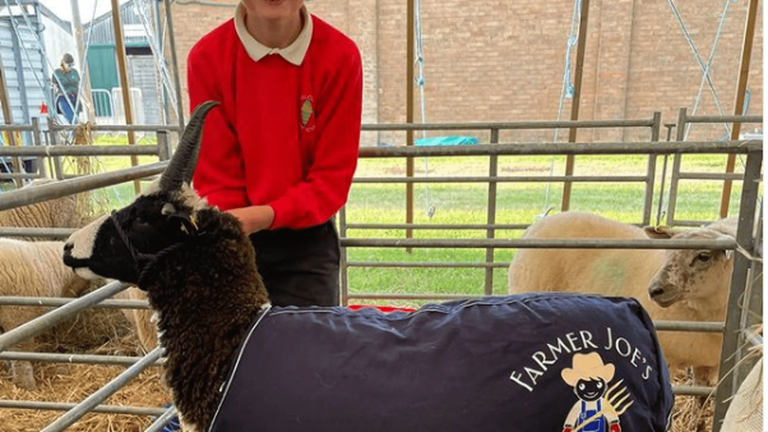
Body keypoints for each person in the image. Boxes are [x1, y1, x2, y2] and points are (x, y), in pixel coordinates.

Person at [187, 0, 363, 307]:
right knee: (233, 351)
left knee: (307, 351)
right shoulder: (207, 59)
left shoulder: (339, 56)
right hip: (232, 232)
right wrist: (233, 229)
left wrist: (262, 217)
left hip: (306, 241)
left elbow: (330, 179)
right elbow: (215, 172)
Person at [52, 53, 81, 123]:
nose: (71, 67)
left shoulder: (74, 72)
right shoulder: (57, 73)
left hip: (74, 98)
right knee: (70, 118)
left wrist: (87, 102)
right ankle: (69, 132)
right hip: (63, 98)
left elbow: (79, 87)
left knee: (76, 120)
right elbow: (54, 88)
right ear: (63, 63)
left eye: (72, 65)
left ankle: (73, 133)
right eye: (69, 65)